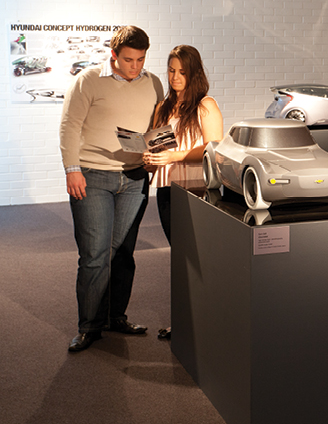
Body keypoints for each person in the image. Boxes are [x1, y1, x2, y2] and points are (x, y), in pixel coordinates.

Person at [60, 25, 164, 352]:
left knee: (123, 254)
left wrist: (156, 154)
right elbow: (69, 126)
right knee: (94, 255)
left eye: (141, 60)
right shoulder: (89, 80)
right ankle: (89, 326)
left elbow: (157, 128)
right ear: (114, 55)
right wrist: (72, 170)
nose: (136, 66)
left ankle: (115, 316)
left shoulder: (153, 83)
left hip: (134, 180)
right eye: (129, 59)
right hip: (92, 177)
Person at [143, 45, 223, 338]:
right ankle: (185, 321)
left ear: (194, 73)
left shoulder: (205, 105)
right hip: (166, 188)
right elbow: (157, 146)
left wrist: (174, 157)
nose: (175, 77)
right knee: (181, 257)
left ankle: (204, 320)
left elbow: (214, 147)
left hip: (195, 189)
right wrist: (149, 159)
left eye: (182, 72)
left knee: (197, 257)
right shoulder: (163, 107)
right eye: (171, 70)